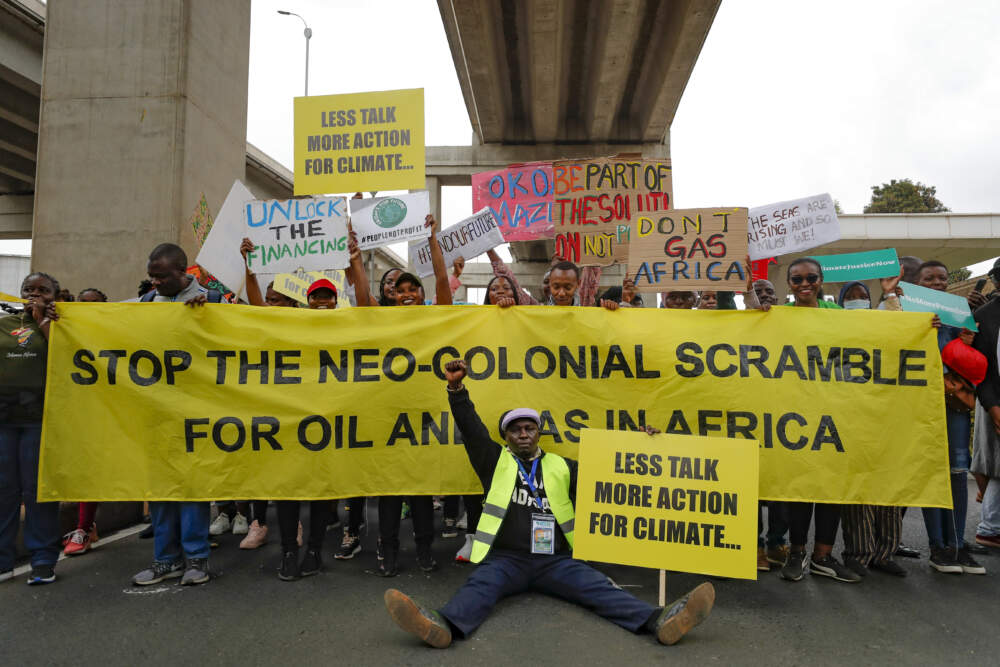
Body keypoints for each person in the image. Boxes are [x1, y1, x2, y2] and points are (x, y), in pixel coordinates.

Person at [382, 359, 715, 648]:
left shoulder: (562, 466)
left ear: (538, 433)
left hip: (555, 559)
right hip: (505, 559)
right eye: (515, 430)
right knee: (478, 589)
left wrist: (646, 446)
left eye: (529, 428)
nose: (523, 434)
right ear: (506, 437)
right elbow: (472, 429)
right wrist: (457, 391)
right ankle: (442, 627)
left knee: (597, 588)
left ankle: (658, 622)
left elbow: (614, 478)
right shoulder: (493, 461)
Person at [351, 215, 451, 576]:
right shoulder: (383, 319)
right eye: (401, 290)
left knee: (421, 490)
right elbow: (362, 297)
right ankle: (388, 550)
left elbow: (442, 280)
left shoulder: (433, 318)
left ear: (422, 297)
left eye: (414, 290)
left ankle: (425, 549)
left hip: (424, 417)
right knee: (390, 491)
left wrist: (433, 240)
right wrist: (354, 257)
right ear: (393, 296)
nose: (408, 294)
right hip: (388, 415)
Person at [131, 243, 221, 587]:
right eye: (151, 276)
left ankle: (196, 558)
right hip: (157, 410)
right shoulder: (144, 305)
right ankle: (165, 559)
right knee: (161, 488)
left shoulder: (212, 301)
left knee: (192, 485)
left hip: (196, 410)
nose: (155, 282)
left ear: (183, 272)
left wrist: (212, 317)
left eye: (162, 276)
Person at [775, 258, 860, 583]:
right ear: (790, 285)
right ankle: (797, 553)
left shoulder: (837, 316)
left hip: (835, 411)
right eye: (797, 279)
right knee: (800, 488)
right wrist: (743, 287)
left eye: (811, 277)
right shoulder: (780, 317)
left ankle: (823, 556)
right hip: (794, 414)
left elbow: (878, 335)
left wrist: (899, 303)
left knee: (831, 488)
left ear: (821, 280)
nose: (804, 283)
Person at [914, 261, 985, 574]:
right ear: (918, 284)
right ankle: (938, 547)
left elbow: (974, 363)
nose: (937, 283)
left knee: (957, 472)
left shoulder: (960, 313)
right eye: (929, 278)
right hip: (922, 406)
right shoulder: (908, 314)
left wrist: (969, 337)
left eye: (943, 278)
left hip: (955, 404)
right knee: (933, 472)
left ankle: (956, 544)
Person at [834, 281, 906, 577]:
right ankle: (859, 553)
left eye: (862, 297)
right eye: (850, 298)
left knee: (889, 487)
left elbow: (901, 330)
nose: (856, 301)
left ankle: (885, 552)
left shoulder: (883, 322)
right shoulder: (833, 328)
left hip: (887, 417)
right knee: (858, 488)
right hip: (850, 418)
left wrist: (890, 294)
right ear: (840, 303)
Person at [0, 272, 62, 584]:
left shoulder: (61, 324)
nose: (35, 295)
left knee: (38, 491)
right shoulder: (5, 324)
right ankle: (2, 560)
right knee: (4, 491)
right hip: (4, 421)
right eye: (29, 289)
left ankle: (43, 559)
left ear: (56, 295)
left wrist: (44, 321)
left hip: (40, 421)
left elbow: (68, 359)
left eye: (43, 290)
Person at [62, 288, 109, 556]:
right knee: (89, 470)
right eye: (83, 303)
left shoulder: (119, 327)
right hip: (85, 410)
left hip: (117, 409)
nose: (88, 307)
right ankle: (84, 527)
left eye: (95, 303)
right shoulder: (67, 328)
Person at [971, 275, 1000, 549]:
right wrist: (992, 406)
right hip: (994, 403)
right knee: (994, 463)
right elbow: (982, 370)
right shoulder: (985, 316)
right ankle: (991, 528)